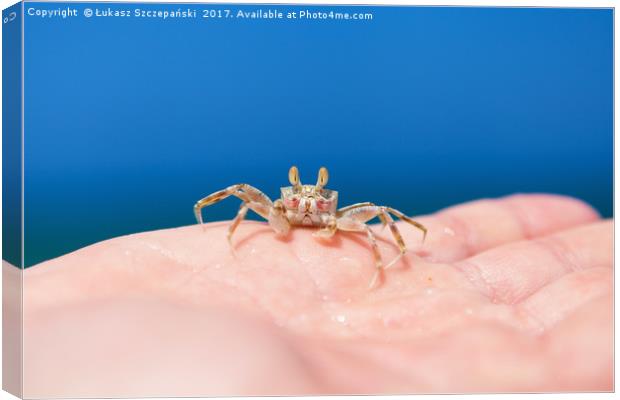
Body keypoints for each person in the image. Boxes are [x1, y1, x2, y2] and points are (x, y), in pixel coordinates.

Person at [15, 194, 612, 397]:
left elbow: (385, 218)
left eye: (314, 198)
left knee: (383, 223)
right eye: (298, 197)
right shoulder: (275, 207)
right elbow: (236, 196)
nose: (305, 204)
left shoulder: (338, 218)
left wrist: (401, 246)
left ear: (323, 198)